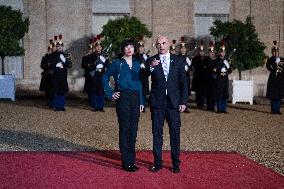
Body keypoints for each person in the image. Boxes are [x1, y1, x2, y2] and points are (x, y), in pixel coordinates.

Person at [143, 35, 188, 173]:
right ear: (155, 46)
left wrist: (183, 101)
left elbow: (183, 83)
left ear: (168, 44)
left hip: (174, 103)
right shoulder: (151, 60)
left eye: (163, 43)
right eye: (158, 44)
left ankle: (175, 164)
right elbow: (143, 76)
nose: (161, 46)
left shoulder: (179, 60)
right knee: (157, 134)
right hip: (157, 103)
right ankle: (157, 163)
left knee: (175, 134)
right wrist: (150, 67)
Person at [102, 38, 144, 172]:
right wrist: (110, 93)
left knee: (133, 130)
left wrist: (141, 102)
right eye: (127, 47)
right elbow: (105, 77)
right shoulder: (117, 63)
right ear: (123, 49)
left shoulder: (138, 64)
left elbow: (140, 84)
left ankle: (132, 160)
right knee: (125, 129)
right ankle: (126, 162)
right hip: (123, 97)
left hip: (136, 98)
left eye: (132, 46)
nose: (129, 49)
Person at [50, 34, 72, 111]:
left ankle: (61, 106)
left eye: (61, 46)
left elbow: (69, 65)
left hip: (63, 75)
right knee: (56, 91)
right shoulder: (52, 54)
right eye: (58, 46)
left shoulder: (65, 55)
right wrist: (56, 64)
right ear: (56, 47)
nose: (59, 47)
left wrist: (65, 61)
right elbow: (50, 64)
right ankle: (56, 106)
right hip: (56, 75)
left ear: (63, 47)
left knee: (62, 91)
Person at [87, 35, 109, 112]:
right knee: (94, 90)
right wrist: (96, 63)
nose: (98, 48)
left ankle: (101, 106)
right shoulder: (91, 56)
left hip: (102, 74)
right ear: (95, 47)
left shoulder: (105, 55)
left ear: (101, 47)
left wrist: (104, 61)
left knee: (101, 90)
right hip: (95, 74)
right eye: (97, 46)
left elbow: (107, 65)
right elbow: (89, 65)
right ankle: (95, 106)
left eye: (100, 46)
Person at [266, 40, 284, 114]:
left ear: (278, 52)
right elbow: (268, 67)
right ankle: (273, 110)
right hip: (273, 78)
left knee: (279, 95)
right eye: (273, 51)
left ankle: (278, 110)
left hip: (280, 79)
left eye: (276, 52)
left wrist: (279, 63)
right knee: (273, 95)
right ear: (272, 52)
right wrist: (274, 65)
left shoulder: (282, 59)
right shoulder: (270, 60)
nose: (275, 53)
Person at [191, 41, 210, 109]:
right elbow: (193, 66)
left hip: (205, 78)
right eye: (200, 51)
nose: (201, 53)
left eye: (203, 51)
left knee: (204, 92)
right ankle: (199, 104)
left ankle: (203, 103)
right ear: (199, 52)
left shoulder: (207, 59)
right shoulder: (195, 59)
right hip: (198, 78)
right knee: (198, 92)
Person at [215, 41, 231, 113]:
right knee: (219, 93)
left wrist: (228, 66)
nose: (223, 53)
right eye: (221, 52)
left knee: (225, 93)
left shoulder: (227, 60)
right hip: (219, 78)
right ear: (219, 52)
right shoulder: (217, 60)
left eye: (224, 52)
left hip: (225, 79)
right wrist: (220, 68)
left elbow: (230, 70)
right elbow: (215, 69)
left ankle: (224, 109)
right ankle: (219, 108)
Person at [135, 36, 149, 112]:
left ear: (143, 48)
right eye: (139, 48)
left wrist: (146, 65)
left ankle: (142, 106)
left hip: (144, 76)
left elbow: (150, 65)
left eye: (142, 47)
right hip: (137, 76)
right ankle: (138, 106)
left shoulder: (146, 56)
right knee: (137, 92)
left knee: (143, 92)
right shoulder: (135, 56)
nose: (140, 49)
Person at [39, 39, 55, 108]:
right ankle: (48, 101)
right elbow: (42, 65)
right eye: (49, 49)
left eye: (51, 49)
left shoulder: (54, 56)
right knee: (47, 90)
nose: (50, 50)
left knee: (52, 89)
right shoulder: (45, 57)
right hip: (46, 75)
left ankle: (52, 102)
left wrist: (50, 64)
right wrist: (46, 65)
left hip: (52, 74)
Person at [178, 36, 192, 113]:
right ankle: (179, 106)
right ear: (180, 49)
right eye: (182, 48)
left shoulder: (188, 58)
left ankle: (185, 107)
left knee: (185, 92)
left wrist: (189, 65)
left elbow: (191, 68)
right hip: (180, 77)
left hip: (186, 77)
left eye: (184, 49)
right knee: (180, 92)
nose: (183, 50)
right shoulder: (177, 57)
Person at [81, 39, 94, 105]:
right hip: (88, 74)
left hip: (96, 74)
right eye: (90, 48)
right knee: (89, 89)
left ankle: (94, 102)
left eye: (92, 48)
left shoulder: (96, 56)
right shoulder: (85, 57)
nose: (91, 50)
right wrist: (87, 65)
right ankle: (90, 101)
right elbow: (82, 65)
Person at [207, 41, 218, 111]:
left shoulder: (216, 61)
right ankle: (208, 106)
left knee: (214, 94)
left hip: (214, 79)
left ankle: (213, 106)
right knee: (208, 94)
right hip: (207, 80)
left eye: (212, 53)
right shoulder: (206, 60)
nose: (211, 54)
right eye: (210, 53)